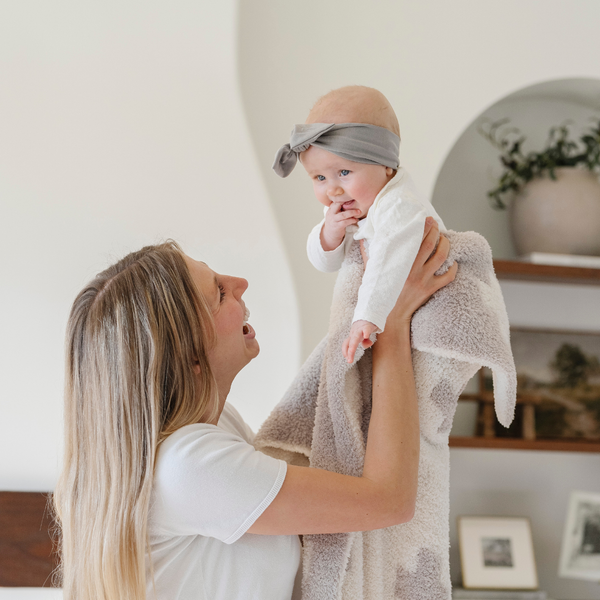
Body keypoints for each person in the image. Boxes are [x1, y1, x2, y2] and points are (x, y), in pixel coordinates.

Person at [53, 220, 456, 600]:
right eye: (220, 294)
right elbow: (389, 501)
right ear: (192, 356)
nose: (240, 283)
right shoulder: (189, 465)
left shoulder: (208, 429)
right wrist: (391, 316)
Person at [273, 85, 447, 364]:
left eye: (343, 172)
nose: (332, 190)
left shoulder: (399, 205)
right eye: (319, 178)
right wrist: (330, 233)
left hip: (428, 313)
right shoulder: (353, 205)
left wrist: (366, 316)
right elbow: (325, 263)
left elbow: (388, 264)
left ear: (386, 165)